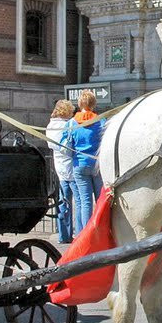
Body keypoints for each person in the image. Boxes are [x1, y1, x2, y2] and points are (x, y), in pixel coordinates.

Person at [62, 89, 105, 235]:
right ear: (93, 104)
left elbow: (64, 145)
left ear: (79, 103)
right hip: (97, 164)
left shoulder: (71, 123)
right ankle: (102, 230)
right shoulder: (100, 121)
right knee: (100, 200)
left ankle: (86, 234)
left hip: (79, 164)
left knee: (84, 202)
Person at [45, 99, 77, 244]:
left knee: (63, 202)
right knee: (81, 202)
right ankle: (80, 234)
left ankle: (64, 234)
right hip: (72, 166)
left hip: (59, 166)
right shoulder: (68, 125)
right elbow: (69, 146)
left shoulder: (50, 126)